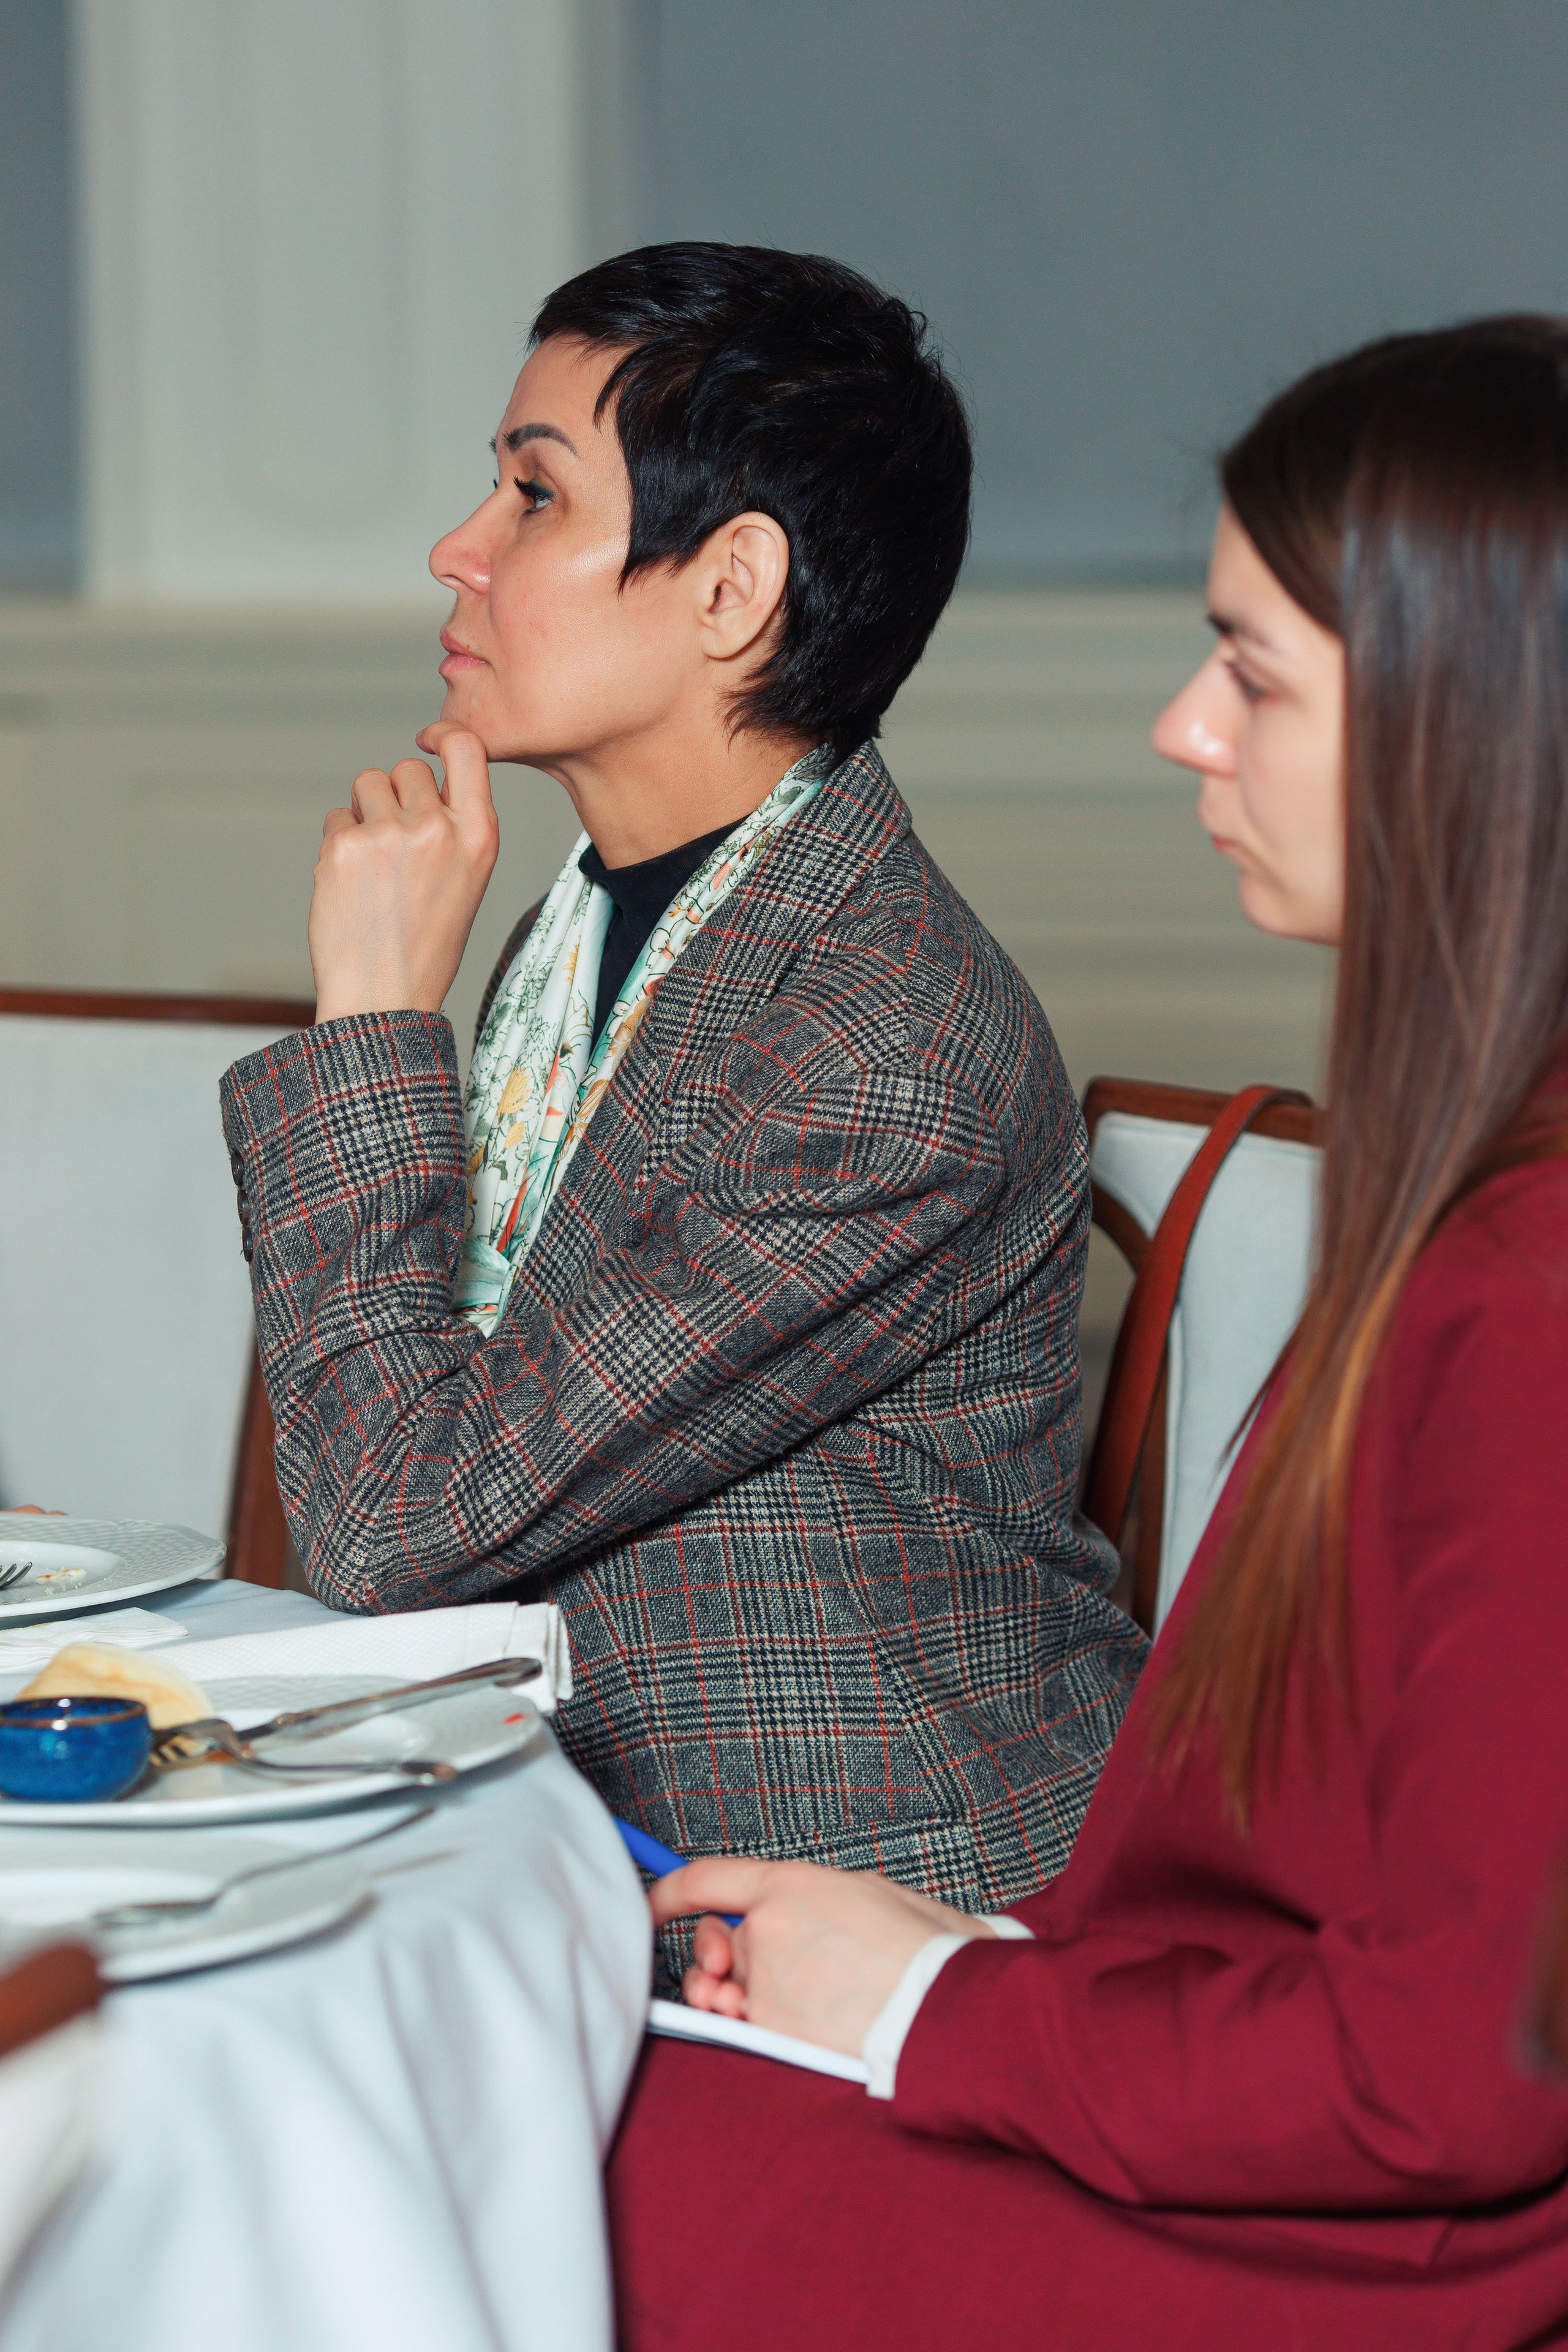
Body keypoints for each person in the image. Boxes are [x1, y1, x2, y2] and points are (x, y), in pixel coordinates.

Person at [604, 316, 1568, 2351]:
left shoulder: (1533, 1274)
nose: (1181, 730)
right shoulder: (1489, 1184)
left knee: (520, 2155)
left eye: (1255, 671)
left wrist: (944, 2001)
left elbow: (1463, 2070)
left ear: (1484, 730)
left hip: (1402, 2261)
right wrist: (956, 1957)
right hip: (1290, 2123)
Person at [219, 244, 1145, 1965]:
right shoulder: (593, 939)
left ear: (729, 592)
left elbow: (390, 1525)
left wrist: (367, 1022)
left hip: (861, 1900)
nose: (459, 549)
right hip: (572, 1826)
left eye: (531, 494)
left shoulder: (885, 1050)